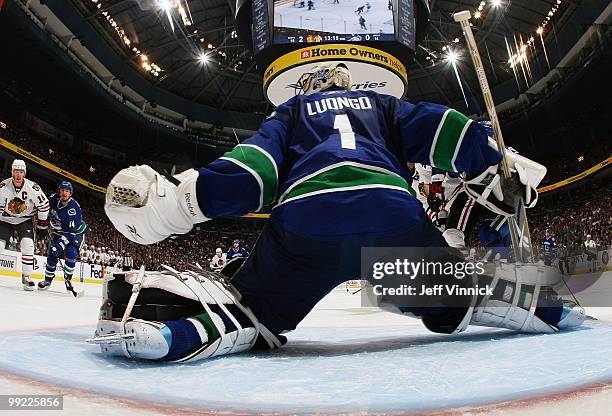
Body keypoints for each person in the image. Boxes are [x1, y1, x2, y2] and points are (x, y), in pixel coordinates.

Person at [97, 62, 584, 362]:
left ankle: (176, 334)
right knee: (465, 295)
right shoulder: (382, 104)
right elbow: (448, 131)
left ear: (307, 87)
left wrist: (180, 203)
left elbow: (252, 175)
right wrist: (498, 159)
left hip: (309, 222)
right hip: (391, 215)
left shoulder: (291, 113)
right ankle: (556, 308)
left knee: (251, 311)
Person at [0, 160, 49, 290]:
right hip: (6, 219)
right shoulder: (3, 185)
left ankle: (26, 277)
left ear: (25, 173)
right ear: (12, 172)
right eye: (16, 171)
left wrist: (42, 225)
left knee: (28, 245)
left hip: (24, 220)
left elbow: (44, 206)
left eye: (21, 172)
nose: (18, 175)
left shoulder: (33, 188)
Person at [37, 181, 88, 292]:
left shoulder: (73, 210)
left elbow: (70, 234)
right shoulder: (54, 198)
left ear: (70, 193)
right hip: (59, 231)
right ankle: (47, 280)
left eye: (67, 191)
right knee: (52, 252)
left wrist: (60, 244)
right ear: (59, 191)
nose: (64, 193)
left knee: (71, 253)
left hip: (76, 234)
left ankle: (68, 280)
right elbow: (43, 207)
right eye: (62, 190)